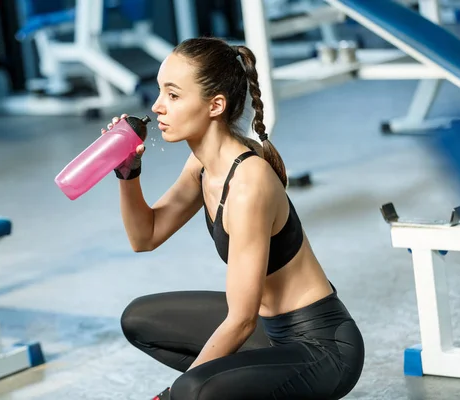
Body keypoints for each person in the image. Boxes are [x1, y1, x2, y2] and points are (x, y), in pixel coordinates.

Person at [103, 37, 365, 400]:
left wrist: (170, 395)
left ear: (215, 105)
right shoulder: (201, 165)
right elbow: (144, 237)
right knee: (140, 320)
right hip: (268, 331)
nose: (157, 106)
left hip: (323, 349)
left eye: (173, 95)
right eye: (160, 92)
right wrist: (128, 173)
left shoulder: (248, 183)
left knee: (194, 391)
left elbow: (240, 320)